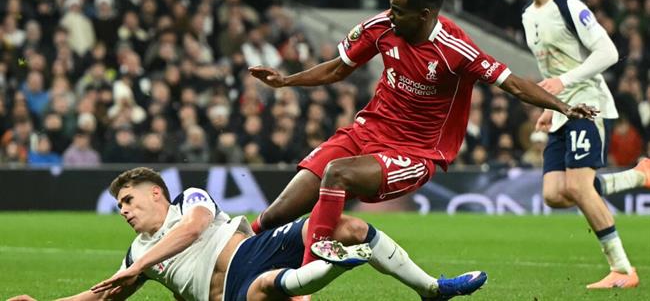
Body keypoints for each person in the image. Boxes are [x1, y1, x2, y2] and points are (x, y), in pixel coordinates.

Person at [248, 0, 598, 267]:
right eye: (390, 7)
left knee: (336, 173)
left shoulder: (455, 50)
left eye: (399, 11)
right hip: (364, 132)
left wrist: (562, 107)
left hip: (414, 151)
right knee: (276, 214)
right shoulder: (381, 27)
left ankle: (307, 275)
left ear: (425, 15)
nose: (390, 16)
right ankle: (233, 254)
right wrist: (286, 80)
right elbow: (339, 68)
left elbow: (515, 84)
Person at [8, 167, 487, 301]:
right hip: (236, 293)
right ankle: (331, 265)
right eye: (119, 207)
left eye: (128, 200)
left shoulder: (189, 201)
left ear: (156, 193)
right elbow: (103, 295)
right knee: (263, 289)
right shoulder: (136, 253)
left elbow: (195, 228)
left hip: (255, 250)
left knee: (350, 225)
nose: (123, 211)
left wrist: (140, 266)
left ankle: (431, 288)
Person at [514, 0, 650, 289]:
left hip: (588, 104)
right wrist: (550, 105)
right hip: (563, 110)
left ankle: (623, 270)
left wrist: (564, 82)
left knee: (578, 185)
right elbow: (549, 69)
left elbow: (608, 52)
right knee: (554, 194)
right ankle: (637, 176)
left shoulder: (569, 6)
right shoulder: (528, 16)